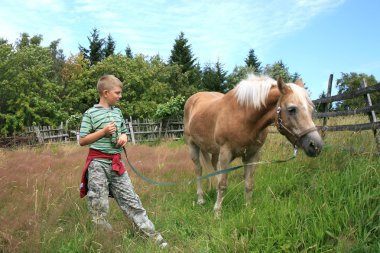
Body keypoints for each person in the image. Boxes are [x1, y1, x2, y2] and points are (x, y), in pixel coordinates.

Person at [78, 74, 168, 249]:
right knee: (98, 206)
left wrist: (123, 137)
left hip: (117, 164)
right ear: (105, 93)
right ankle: (106, 241)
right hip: (97, 165)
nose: (120, 96)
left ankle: (153, 237)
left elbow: (124, 131)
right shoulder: (90, 113)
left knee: (132, 201)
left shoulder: (117, 112)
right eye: (117, 93)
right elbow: (82, 140)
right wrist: (103, 132)